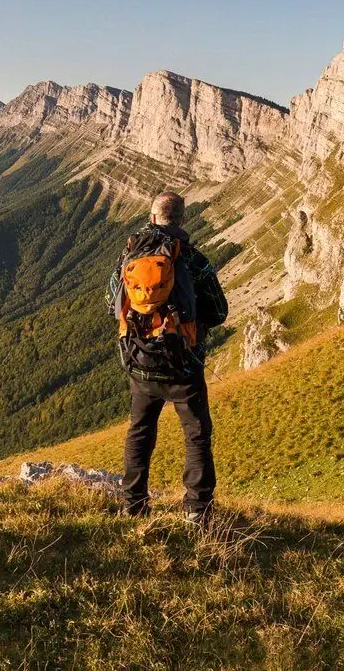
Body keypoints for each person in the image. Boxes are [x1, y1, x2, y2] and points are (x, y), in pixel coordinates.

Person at [109, 191, 227, 524]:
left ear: (152, 217)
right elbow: (219, 311)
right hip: (184, 365)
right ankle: (196, 510)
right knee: (197, 435)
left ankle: (133, 504)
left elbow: (112, 303)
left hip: (141, 364)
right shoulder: (193, 260)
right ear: (183, 219)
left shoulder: (129, 254)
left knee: (140, 430)